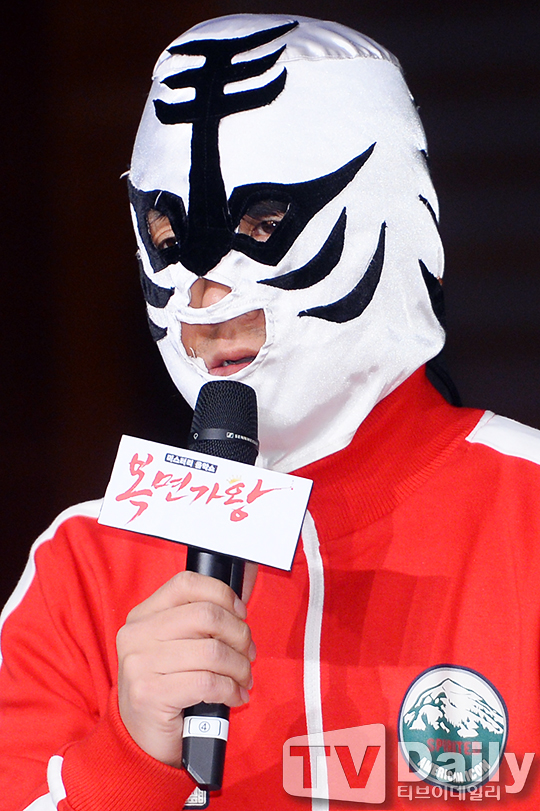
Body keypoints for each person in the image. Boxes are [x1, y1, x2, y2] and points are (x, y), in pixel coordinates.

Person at [1, 13, 539, 810]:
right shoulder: (87, 567)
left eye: (261, 225)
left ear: (402, 209)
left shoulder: (528, 514)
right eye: (167, 235)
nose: (206, 297)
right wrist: (127, 755)